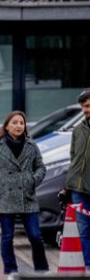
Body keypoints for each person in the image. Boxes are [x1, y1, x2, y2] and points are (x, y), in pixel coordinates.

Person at [0, 110, 49, 276]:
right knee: (7, 237)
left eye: (22, 123)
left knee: (35, 236)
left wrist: (32, 180)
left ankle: (42, 270)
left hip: (27, 196)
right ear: (6, 126)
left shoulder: (31, 145)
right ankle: (11, 270)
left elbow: (41, 167)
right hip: (5, 196)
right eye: (15, 122)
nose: (19, 126)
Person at [65, 88, 90, 271]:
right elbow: (73, 157)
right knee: (83, 230)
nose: (86, 110)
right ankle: (88, 267)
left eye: (88, 106)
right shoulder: (78, 130)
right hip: (78, 189)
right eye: (83, 107)